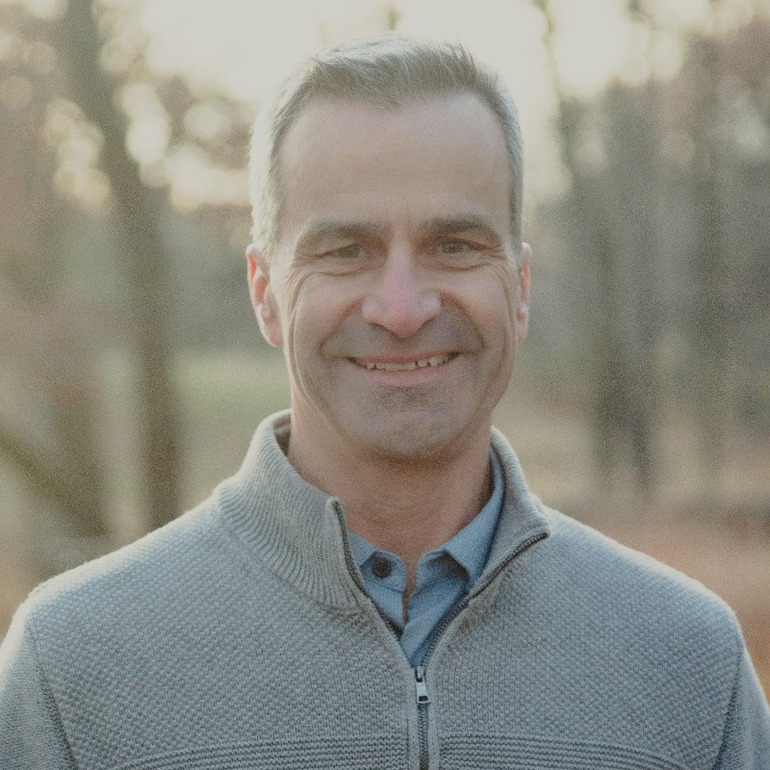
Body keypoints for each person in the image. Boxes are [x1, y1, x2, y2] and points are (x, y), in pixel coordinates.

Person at [1, 33, 769, 769]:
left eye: (454, 245)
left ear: (521, 289)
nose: (402, 309)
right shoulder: (75, 668)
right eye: (346, 251)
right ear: (265, 294)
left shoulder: (688, 663)